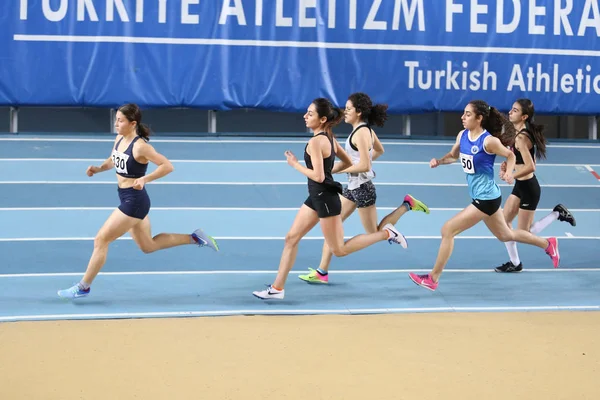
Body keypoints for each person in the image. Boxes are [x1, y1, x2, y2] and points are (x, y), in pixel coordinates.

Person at [58, 103, 218, 299]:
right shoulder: (119, 139)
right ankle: (195, 237)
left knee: (101, 239)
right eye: (115, 119)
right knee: (148, 246)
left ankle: (83, 287)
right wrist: (98, 168)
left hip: (134, 202)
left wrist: (144, 179)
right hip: (129, 198)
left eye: (120, 121)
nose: (116, 124)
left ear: (132, 123)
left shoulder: (141, 146)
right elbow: (113, 159)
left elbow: (167, 166)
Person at [253, 98, 407, 300]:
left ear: (323, 118)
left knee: (339, 250)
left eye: (310, 114)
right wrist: (328, 171)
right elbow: (345, 161)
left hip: (324, 198)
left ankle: (386, 233)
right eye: (306, 112)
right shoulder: (329, 138)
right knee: (291, 238)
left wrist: (295, 165)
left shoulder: (317, 142)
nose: (305, 116)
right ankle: (277, 288)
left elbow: (317, 176)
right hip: (316, 197)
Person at [408, 100, 560, 291]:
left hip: (486, 198)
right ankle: (548, 244)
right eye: (463, 113)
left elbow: (511, 155)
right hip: (485, 196)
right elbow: (454, 156)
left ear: (479, 118)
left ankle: (433, 278)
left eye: (468, 114)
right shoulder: (462, 135)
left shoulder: (489, 141)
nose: (462, 117)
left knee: (448, 230)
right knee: (506, 235)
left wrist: (508, 173)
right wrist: (439, 161)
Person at [298, 92, 429, 284]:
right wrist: (355, 166)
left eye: (349, 109)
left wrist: (341, 170)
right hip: (354, 187)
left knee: (374, 232)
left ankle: (406, 207)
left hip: (362, 189)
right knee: (333, 227)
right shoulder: (365, 130)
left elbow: (366, 166)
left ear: (358, 112)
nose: (345, 112)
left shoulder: (360, 133)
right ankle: (322, 272)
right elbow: (379, 150)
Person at [494, 98, 575, 273]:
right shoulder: (517, 132)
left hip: (529, 188)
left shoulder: (522, 137)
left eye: (515, 110)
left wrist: (511, 174)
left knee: (523, 233)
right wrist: (507, 165)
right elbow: (518, 158)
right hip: (520, 187)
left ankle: (549, 241)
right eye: (511, 109)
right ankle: (515, 263)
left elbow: (531, 166)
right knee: (505, 224)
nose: (510, 112)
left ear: (524, 116)